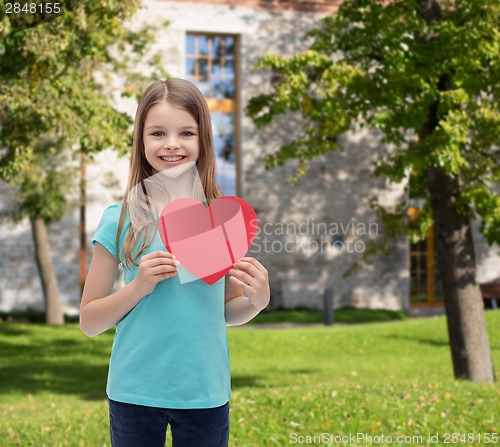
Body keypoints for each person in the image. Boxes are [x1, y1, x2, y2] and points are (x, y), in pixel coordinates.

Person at [80, 78, 270, 447]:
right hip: (134, 392)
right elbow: (89, 321)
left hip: (205, 393)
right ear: (141, 141)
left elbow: (226, 312)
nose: (171, 144)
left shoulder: (223, 220)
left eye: (186, 132)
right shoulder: (120, 219)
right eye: (157, 133)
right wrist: (138, 287)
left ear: (203, 141)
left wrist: (256, 302)